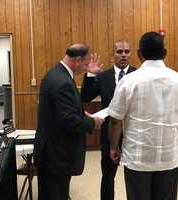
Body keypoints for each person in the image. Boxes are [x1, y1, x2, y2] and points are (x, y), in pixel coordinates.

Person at [108, 31, 178, 200]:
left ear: (139, 54)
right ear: (165, 53)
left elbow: (116, 120)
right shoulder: (176, 79)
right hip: (169, 156)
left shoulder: (129, 81)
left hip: (137, 157)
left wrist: (113, 146)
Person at [33, 43, 104, 200]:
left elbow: (62, 110)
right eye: (85, 64)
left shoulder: (55, 74)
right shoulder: (63, 81)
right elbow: (70, 121)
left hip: (51, 150)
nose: (86, 68)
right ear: (77, 60)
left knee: (54, 193)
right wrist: (94, 123)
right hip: (56, 154)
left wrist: (81, 112)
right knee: (55, 194)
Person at [81, 40, 136, 200]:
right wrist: (91, 74)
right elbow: (85, 97)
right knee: (108, 176)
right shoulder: (103, 76)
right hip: (109, 132)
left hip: (133, 132)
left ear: (131, 53)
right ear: (113, 55)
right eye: (119, 51)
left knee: (134, 177)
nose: (124, 55)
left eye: (126, 51)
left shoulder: (138, 75)